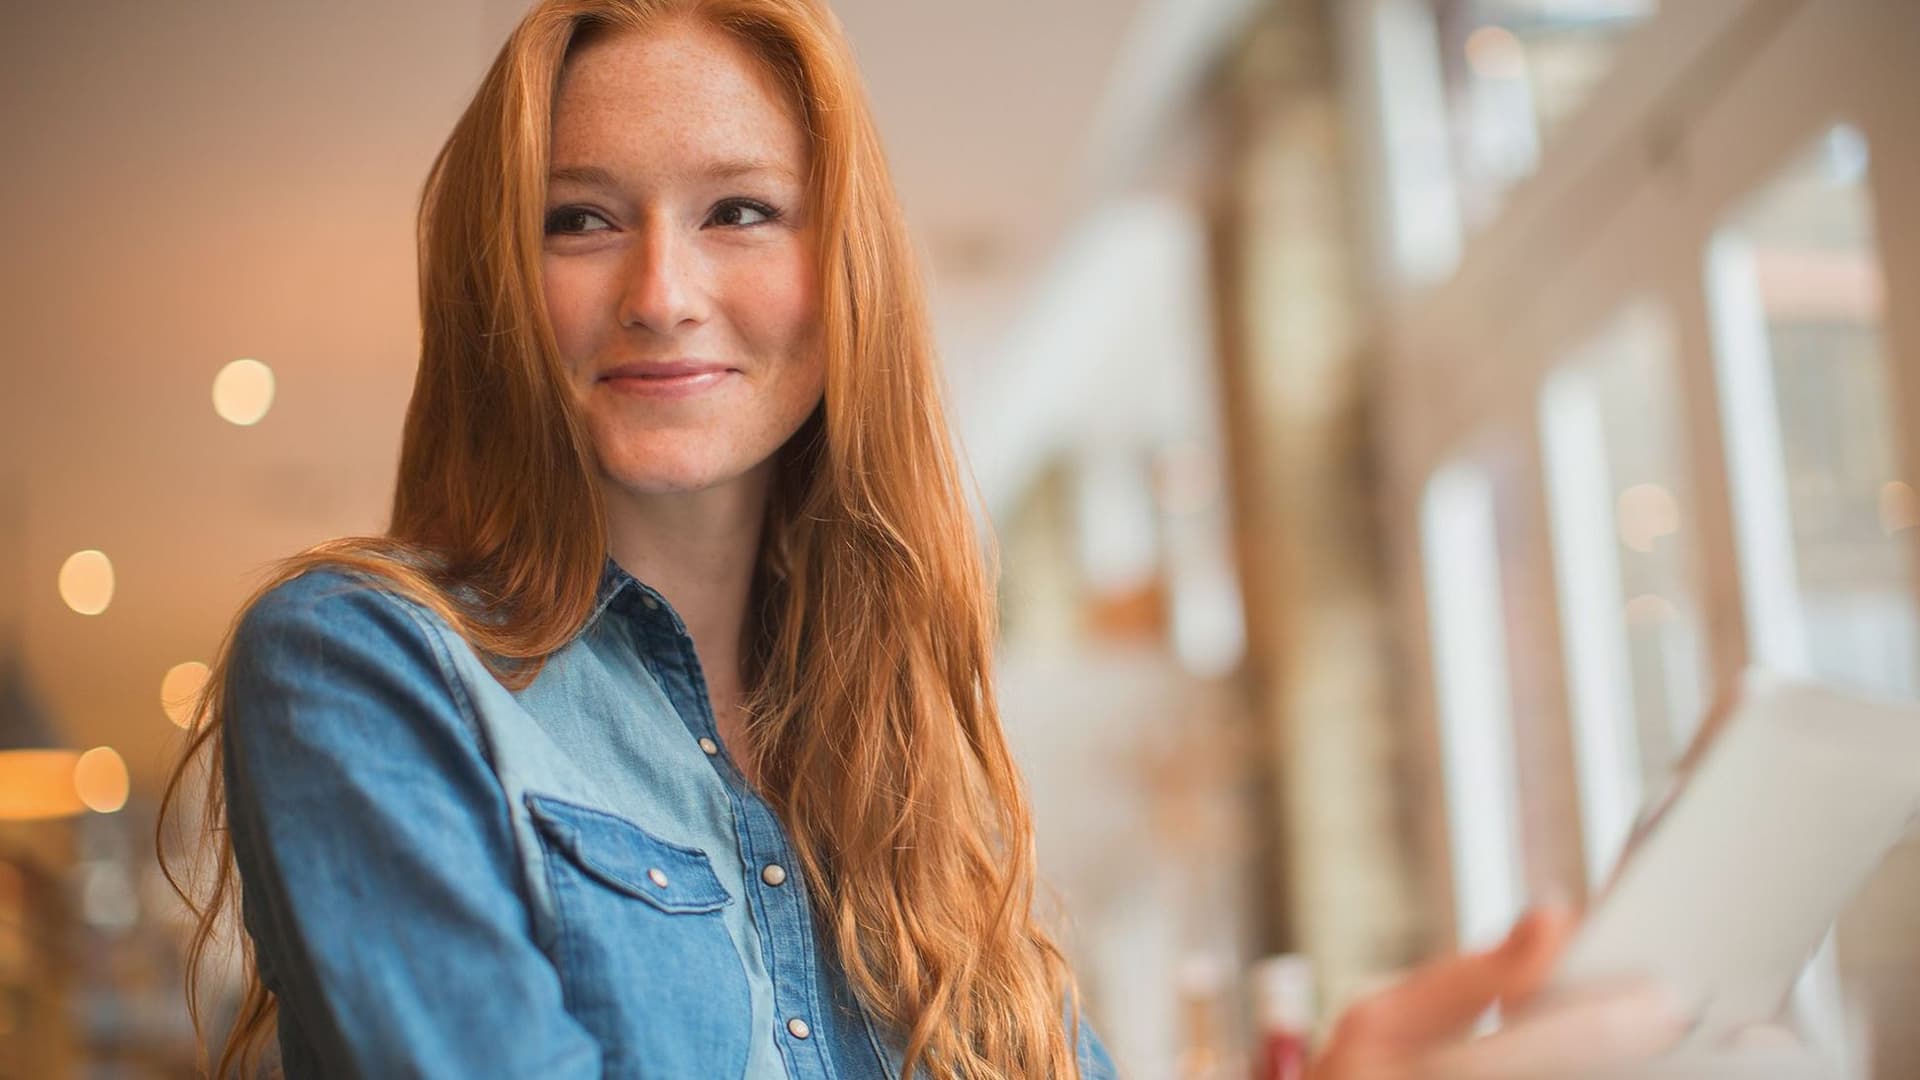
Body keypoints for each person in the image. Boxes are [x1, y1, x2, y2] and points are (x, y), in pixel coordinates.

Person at [158, 1, 1690, 1077]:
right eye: (580, 219)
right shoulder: (364, 666)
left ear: (846, 275)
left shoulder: (904, 755)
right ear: (501, 277)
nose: (661, 291)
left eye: (742, 212)